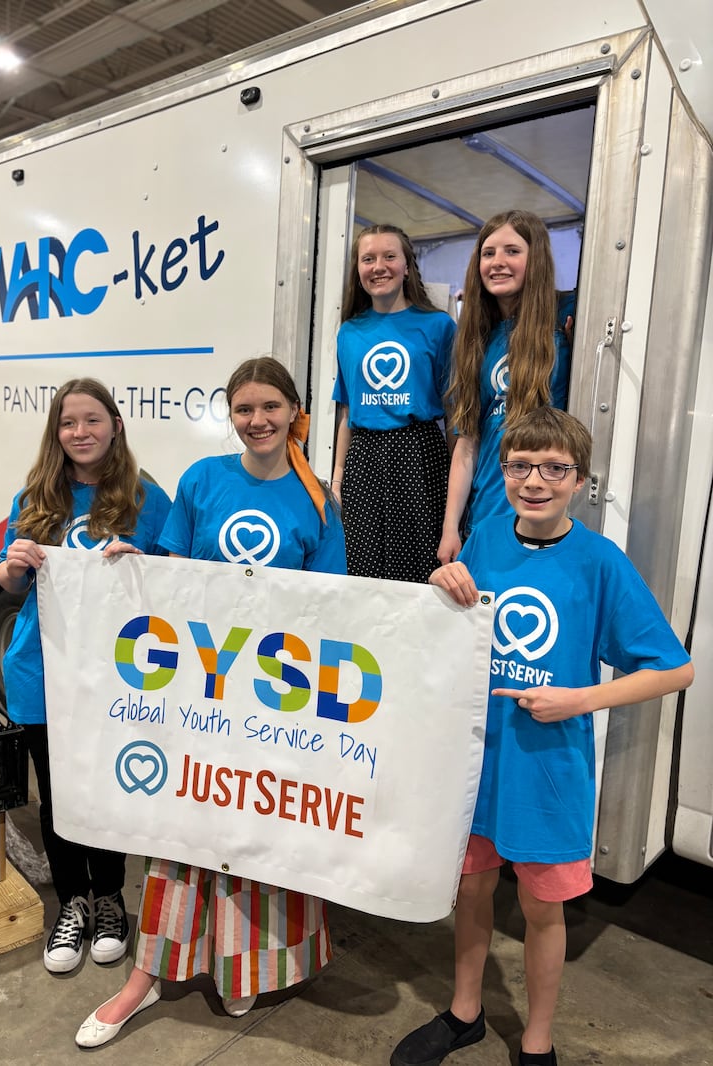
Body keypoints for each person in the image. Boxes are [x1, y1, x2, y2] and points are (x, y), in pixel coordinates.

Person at [391, 406, 693, 1066]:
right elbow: (454, 625)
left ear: (580, 480)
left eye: (554, 468)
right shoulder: (489, 537)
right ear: (502, 472)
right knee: (470, 888)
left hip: (549, 771)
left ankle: (536, 1040)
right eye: (521, 465)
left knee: (541, 906)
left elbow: (675, 668)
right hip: (481, 760)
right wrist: (444, 581)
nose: (535, 480)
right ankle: (466, 1012)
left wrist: (582, 698)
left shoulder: (599, 562)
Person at [75, 356, 347, 1048]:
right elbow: (172, 576)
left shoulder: (319, 503)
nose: (257, 421)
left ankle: (244, 961)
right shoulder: (203, 481)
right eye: (244, 409)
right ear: (231, 415)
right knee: (179, 829)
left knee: (256, 829)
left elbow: (331, 609)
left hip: (273, 699)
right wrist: (129, 562)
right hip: (198, 686)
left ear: (294, 412)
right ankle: (147, 974)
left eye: (270, 408)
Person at [0, 378, 170, 975]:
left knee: (106, 789)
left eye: (92, 420)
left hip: (115, 677)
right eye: (69, 423)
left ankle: (110, 899)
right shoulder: (34, 497)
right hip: (40, 669)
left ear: (116, 425)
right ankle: (72, 902)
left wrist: (142, 568)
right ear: (57, 432)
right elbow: (8, 584)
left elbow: (175, 582)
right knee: (58, 793)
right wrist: (12, 566)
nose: (80, 433)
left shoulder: (145, 498)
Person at [438, 209, 574, 563]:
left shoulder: (566, 318)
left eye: (512, 251)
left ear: (536, 258)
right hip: (486, 512)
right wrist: (450, 527)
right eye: (488, 253)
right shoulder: (477, 340)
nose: (497, 262)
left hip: (543, 507)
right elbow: (467, 441)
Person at [332, 223, 456, 583]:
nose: (378, 266)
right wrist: (338, 480)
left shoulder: (438, 325)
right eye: (368, 258)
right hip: (364, 456)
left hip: (419, 452)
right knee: (361, 566)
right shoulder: (350, 332)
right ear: (358, 269)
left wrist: (452, 482)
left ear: (407, 266)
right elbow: (346, 411)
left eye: (389, 256)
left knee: (418, 567)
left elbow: (452, 411)